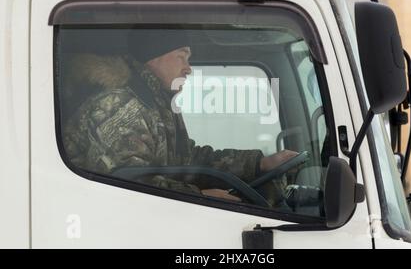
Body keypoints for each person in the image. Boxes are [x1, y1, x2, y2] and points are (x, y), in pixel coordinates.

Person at [62, 29, 298, 202]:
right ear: (154, 57)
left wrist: (260, 163)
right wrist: (201, 197)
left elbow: (188, 162)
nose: (189, 68)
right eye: (181, 56)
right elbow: (127, 184)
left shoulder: (155, 102)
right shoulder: (121, 107)